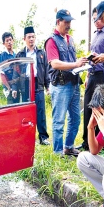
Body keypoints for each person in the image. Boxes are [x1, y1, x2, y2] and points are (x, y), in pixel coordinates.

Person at [44, 9, 88, 156]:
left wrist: (81, 63)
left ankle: (68, 146)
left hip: (74, 83)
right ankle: (57, 152)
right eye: (66, 22)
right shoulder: (51, 41)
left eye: (70, 22)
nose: (69, 25)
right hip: (61, 85)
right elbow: (55, 63)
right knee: (59, 121)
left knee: (75, 118)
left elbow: (70, 61)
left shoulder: (70, 39)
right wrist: (76, 64)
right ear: (58, 22)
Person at [12, 26, 51, 145]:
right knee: (26, 113)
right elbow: (15, 71)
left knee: (40, 112)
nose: (31, 39)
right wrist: (14, 88)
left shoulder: (41, 53)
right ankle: (27, 136)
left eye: (33, 37)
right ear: (24, 39)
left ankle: (43, 137)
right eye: (29, 37)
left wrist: (47, 86)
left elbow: (46, 70)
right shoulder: (20, 54)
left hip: (38, 85)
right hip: (25, 86)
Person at [78, 7, 104, 151]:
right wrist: (87, 75)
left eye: (98, 18)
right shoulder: (96, 35)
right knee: (88, 108)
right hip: (92, 74)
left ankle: (99, 143)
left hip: (103, 76)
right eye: (94, 19)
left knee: (100, 109)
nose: (96, 21)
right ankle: (86, 142)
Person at [0, 32, 19, 104]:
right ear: (4, 43)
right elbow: (2, 74)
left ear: (13, 40)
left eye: (10, 40)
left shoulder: (16, 55)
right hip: (9, 88)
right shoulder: (2, 56)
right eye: (7, 41)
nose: (9, 42)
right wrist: (9, 88)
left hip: (17, 86)